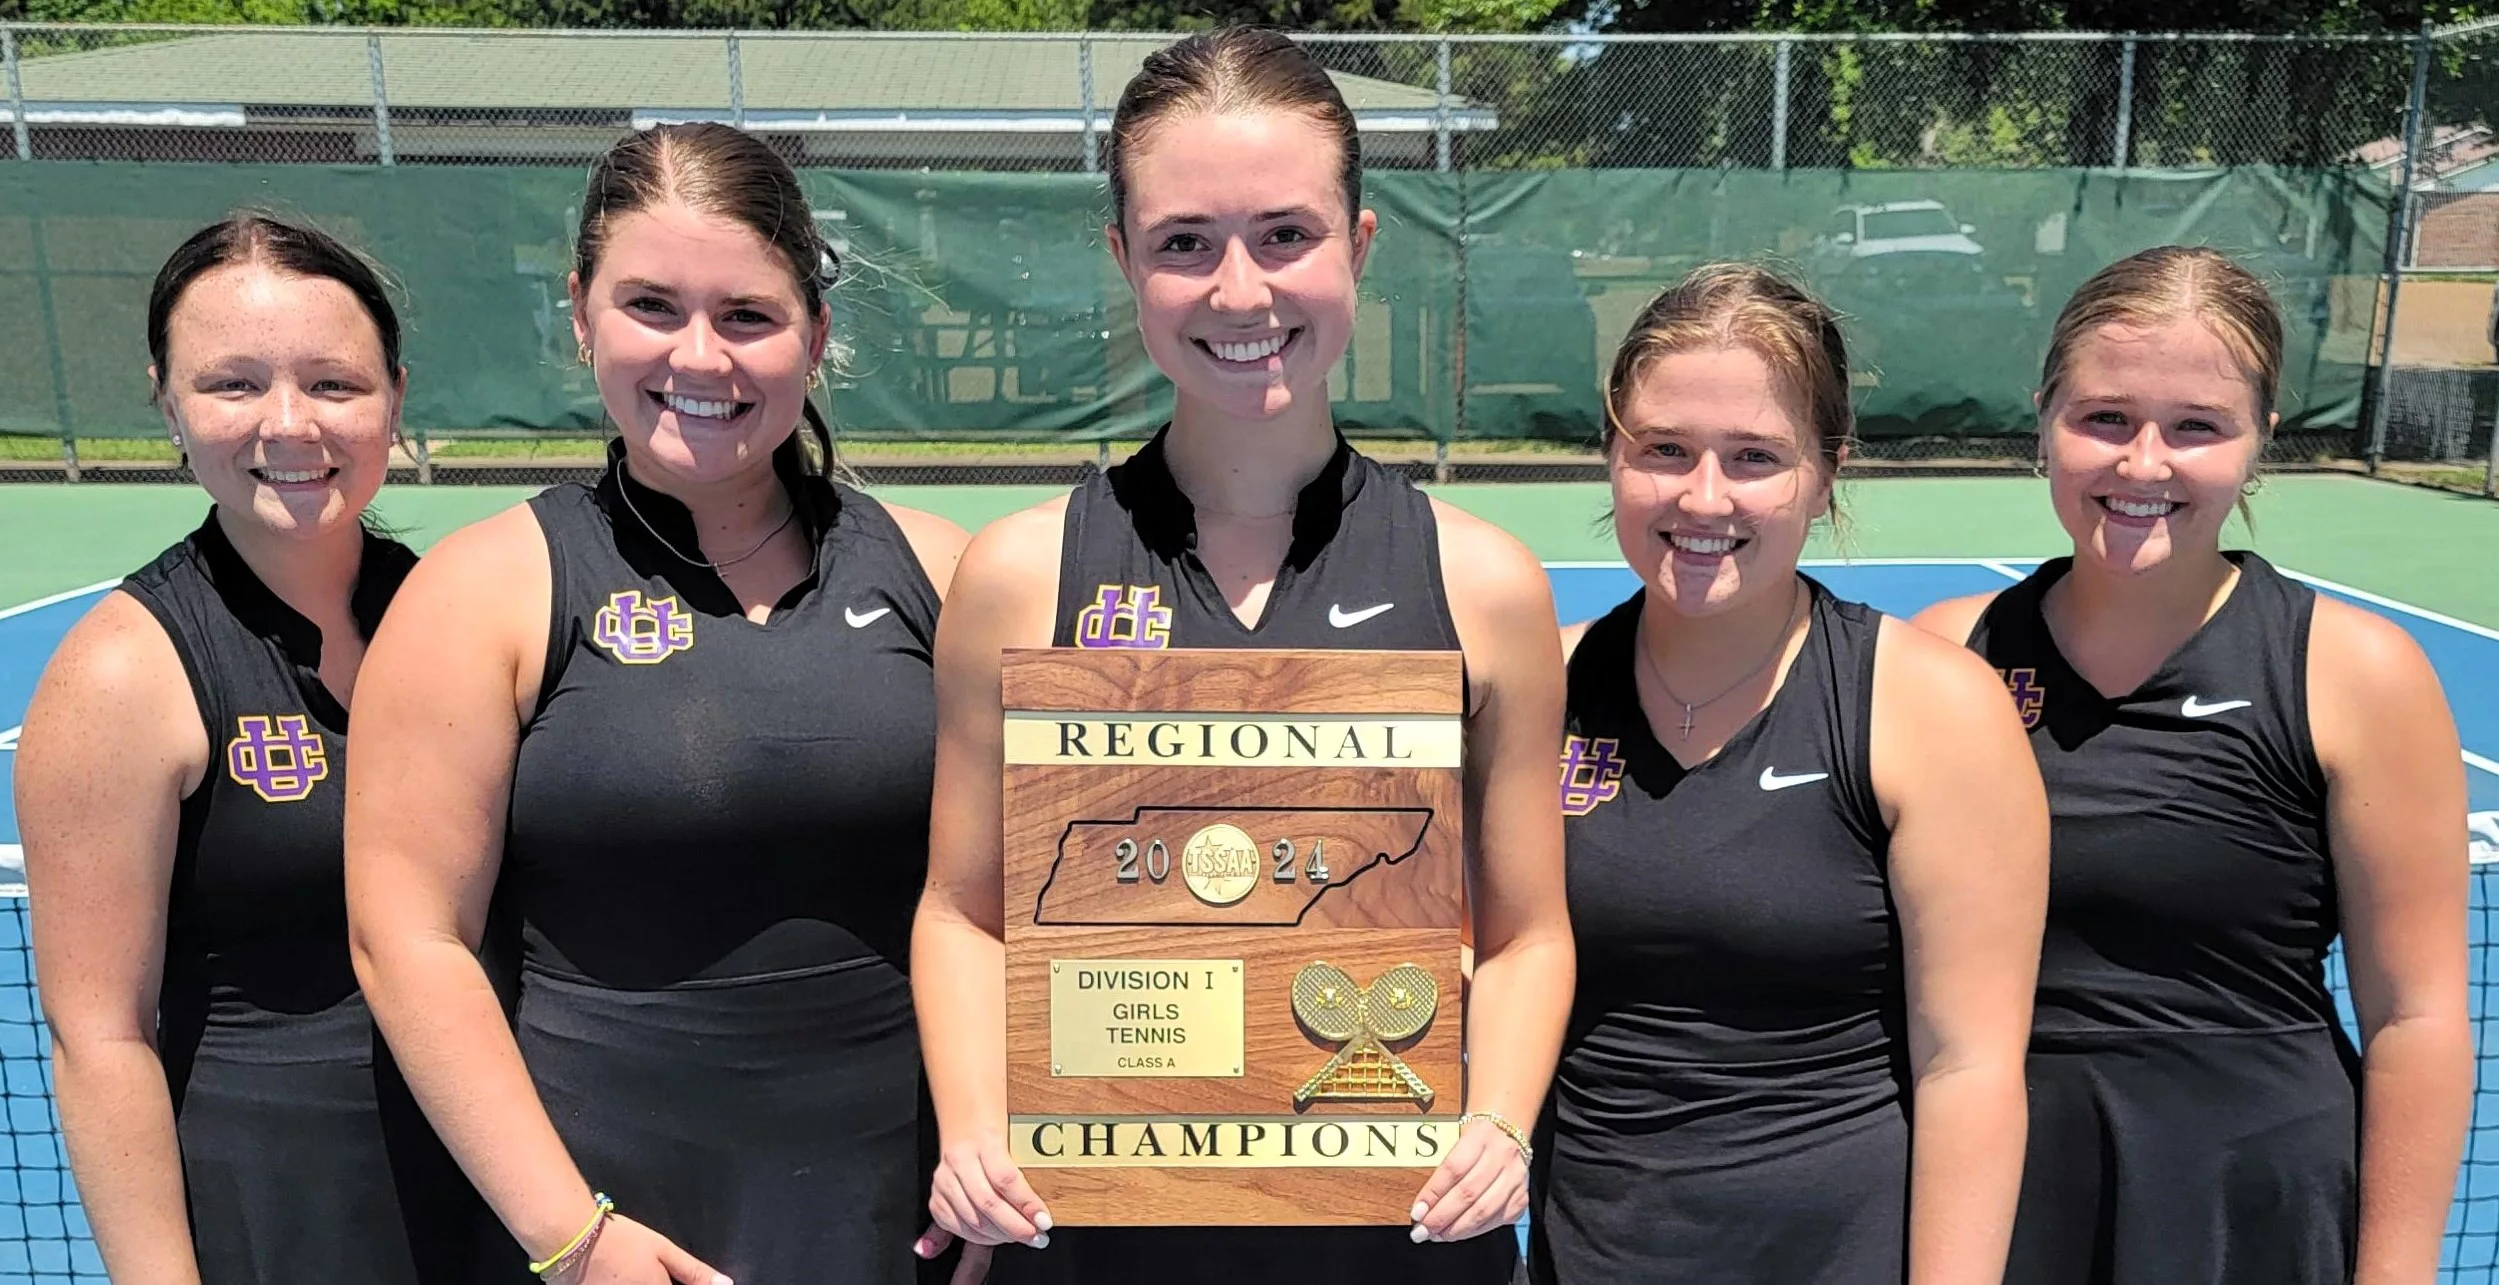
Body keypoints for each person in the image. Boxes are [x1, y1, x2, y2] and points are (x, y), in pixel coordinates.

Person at [909, 24, 1575, 1285]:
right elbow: (961, 910)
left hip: (1395, 1235)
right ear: (1120, 259)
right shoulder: (1016, 576)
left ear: (1360, 246)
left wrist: (1496, 1122)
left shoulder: (1483, 585)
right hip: (1095, 1234)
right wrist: (976, 1120)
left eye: (1284, 234)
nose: (1238, 291)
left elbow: (1528, 930)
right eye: (1182, 244)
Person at [344, 122, 973, 1285]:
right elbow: (407, 941)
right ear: (581, 313)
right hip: (616, 1235)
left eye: (747, 315)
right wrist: (571, 1240)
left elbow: (1022, 910)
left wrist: (996, 1164)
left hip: (909, 1223)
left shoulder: (946, 576)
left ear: (815, 336)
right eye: (651, 306)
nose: (701, 356)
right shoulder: (482, 593)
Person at [1913, 245, 2472, 1285]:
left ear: (2258, 440)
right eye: (2105, 419)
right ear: (2042, 420)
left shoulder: (2352, 673)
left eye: (2196, 427)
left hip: (2248, 1201)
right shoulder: (1942, 658)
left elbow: (2417, 1016)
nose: (2141, 464)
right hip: (1990, 1200)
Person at [1527, 263, 2048, 1284]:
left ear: (1826, 471)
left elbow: (1969, 1067)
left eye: (1755, 457)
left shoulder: (1933, 708)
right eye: (1662, 450)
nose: (1701, 495)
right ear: (1610, 458)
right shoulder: (1534, 688)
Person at [15, 213, 482, 1283]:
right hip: (281, 1211)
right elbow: (102, 1040)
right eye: (232, 383)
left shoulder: (454, 610)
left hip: (495, 1185)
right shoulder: (123, 675)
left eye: (333, 383)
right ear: (168, 404)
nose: (289, 424)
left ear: (395, 399)